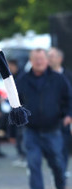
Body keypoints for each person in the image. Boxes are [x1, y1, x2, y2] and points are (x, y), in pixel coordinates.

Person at [16, 48, 72, 189]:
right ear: (31, 61)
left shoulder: (58, 79)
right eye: (36, 59)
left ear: (47, 61)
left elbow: (69, 99)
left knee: (58, 164)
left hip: (53, 129)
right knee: (33, 165)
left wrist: (68, 114)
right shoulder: (22, 80)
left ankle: (60, 187)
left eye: (42, 59)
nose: (39, 62)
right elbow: (14, 102)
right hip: (31, 131)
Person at [47, 47, 72, 176]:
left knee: (64, 145)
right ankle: (56, 169)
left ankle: (62, 171)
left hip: (65, 117)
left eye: (52, 56)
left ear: (60, 59)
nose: (49, 58)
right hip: (49, 118)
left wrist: (69, 114)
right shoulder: (43, 75)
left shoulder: (68, 75)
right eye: (48, 56)